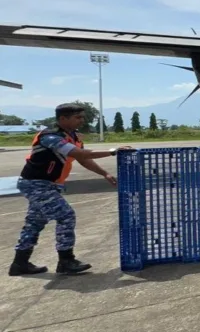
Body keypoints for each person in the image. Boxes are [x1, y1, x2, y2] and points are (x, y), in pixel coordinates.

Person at [8, 103, 132, 276]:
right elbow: (81, 154)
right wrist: (113, 151)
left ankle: (19, 264)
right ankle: (66, 260)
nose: (82, 120)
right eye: (78, 117)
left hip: (48, 184)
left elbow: (83, 160)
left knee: (35, 222)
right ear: (63, 119)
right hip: (37, 184)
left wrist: (104, 173)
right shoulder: (50, 137)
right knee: (65, 215)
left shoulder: (72, 137)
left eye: (82, 117)